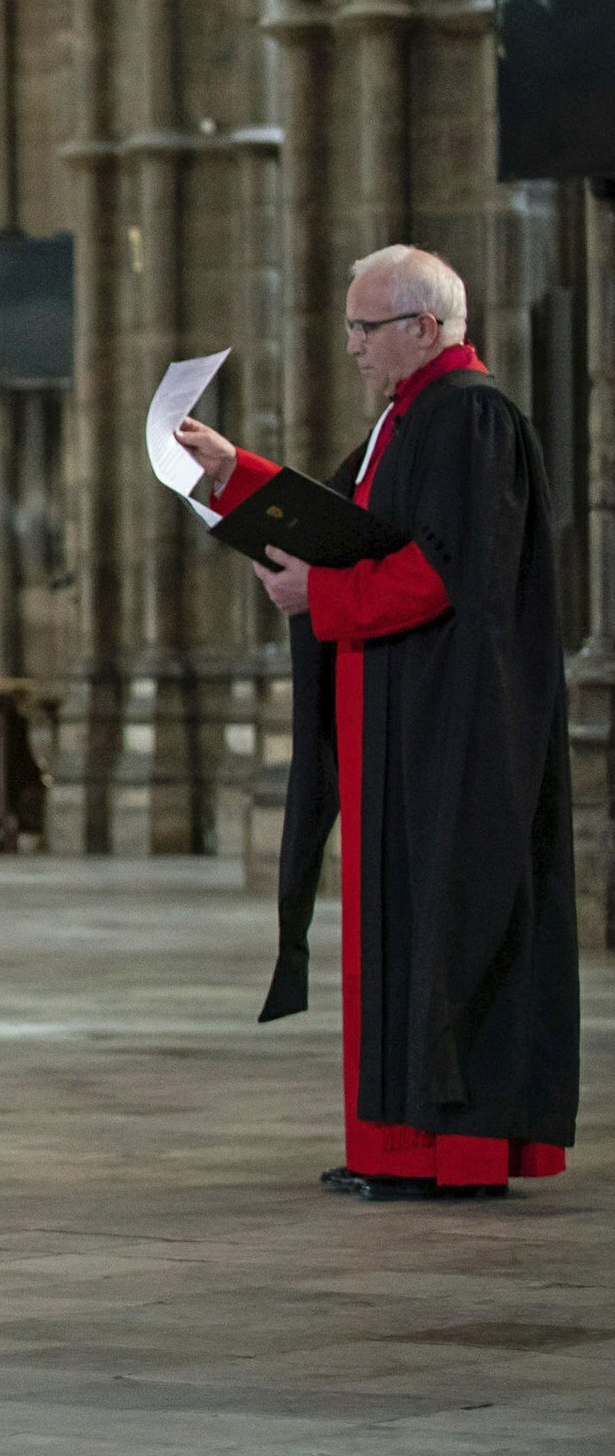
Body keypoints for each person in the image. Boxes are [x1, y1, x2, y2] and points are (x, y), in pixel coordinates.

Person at [175, 245, 579, 1201]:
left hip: (459, 725)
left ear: (425, 329)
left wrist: (323, 594)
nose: (351, 346)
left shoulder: (470, 418)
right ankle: (397, 1145)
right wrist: (234, 474)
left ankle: (461, 1153)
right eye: (351, 327)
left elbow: (447, 570)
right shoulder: (409, 418)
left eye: (366, 328)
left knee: (454, 923)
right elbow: (341, 523)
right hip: (403, 713)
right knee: (402, 924)